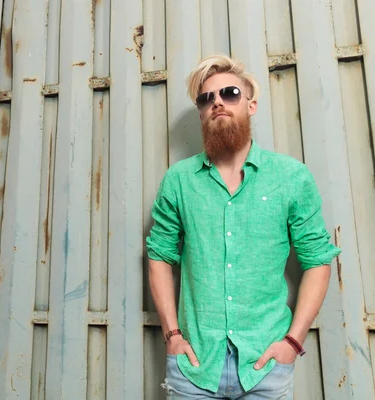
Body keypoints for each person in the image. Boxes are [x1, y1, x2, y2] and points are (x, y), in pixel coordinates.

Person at [146, 54, 341, 399]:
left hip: (265, 366)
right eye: (206, 99)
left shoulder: (291, 178)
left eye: (230, 93)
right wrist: (172, 334)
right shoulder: (178, 181)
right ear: (201, 113)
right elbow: (159, 255)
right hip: (195, 366)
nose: (217, 102)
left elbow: (318, 261)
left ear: (250, 106)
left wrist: (292, 342)